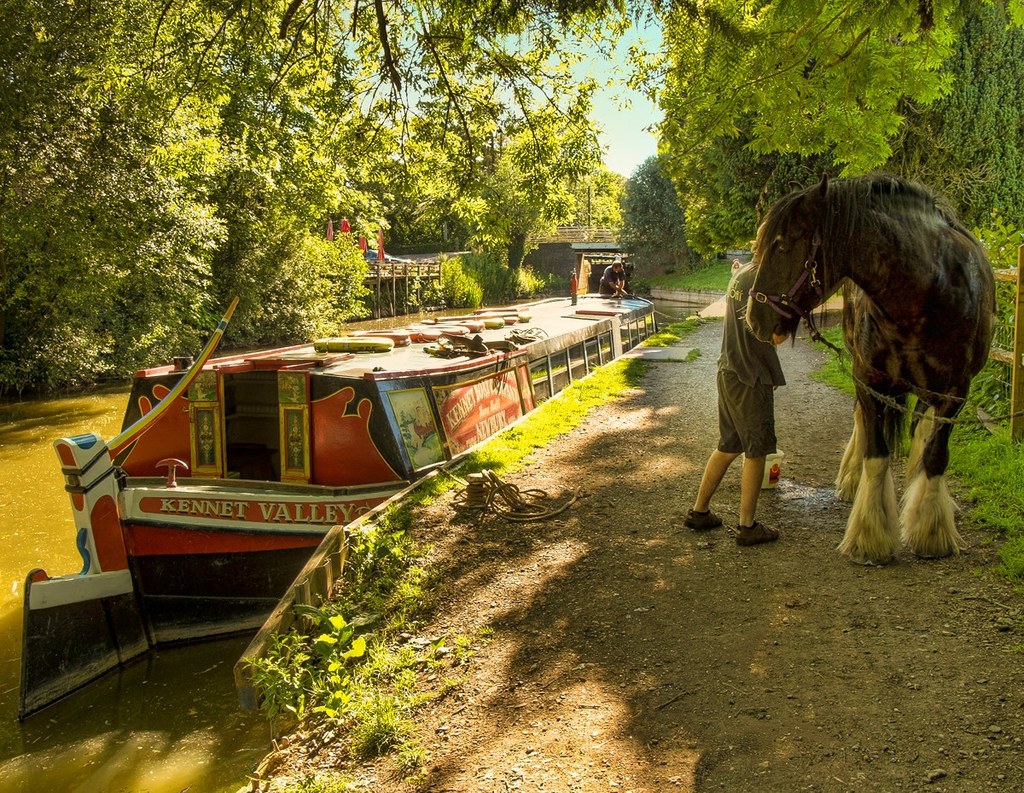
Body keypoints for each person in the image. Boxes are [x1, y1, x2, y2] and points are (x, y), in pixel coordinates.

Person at [684, 260, 787, 546]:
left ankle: (700, 511)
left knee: (728, 446)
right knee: (756, 452)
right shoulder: (766, 281)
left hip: (728, 370)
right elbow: (775, 336)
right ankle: (747, 526)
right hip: (751, 376)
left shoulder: (742, 273)